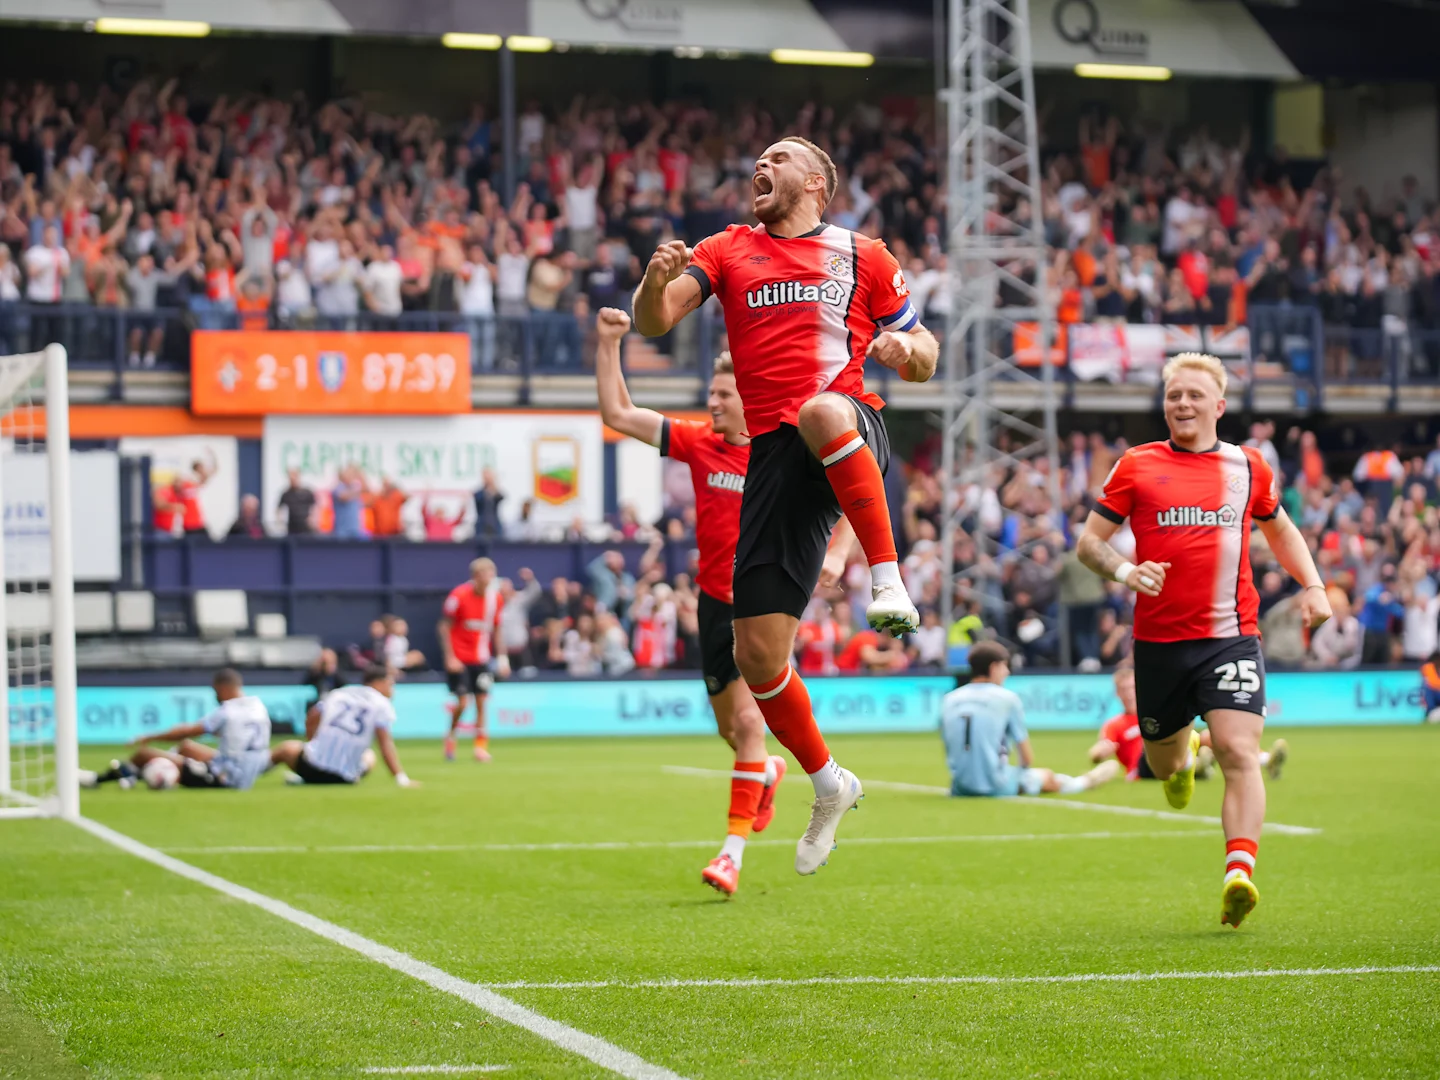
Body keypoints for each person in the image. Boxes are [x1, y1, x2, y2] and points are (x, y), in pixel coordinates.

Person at [632, 135, 938, 875]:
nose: (760, 167)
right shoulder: (727, 249)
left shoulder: (865, 255)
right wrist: (652, 281)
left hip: (847, 427)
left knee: (821, 410)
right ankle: (829, 782)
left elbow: (924, 354)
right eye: (758, 161)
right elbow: (654, 320)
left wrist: (906, 353)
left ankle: (888, 579)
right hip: (773, 460)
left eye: (778, 158)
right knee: (758, 655)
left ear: (816, 182)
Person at [1076, 352, 1331, 929]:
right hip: (1159, 645)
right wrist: (1125, 571)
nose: (1183, 404)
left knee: (1239, 751)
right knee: (1164, 765)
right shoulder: (1136, 465)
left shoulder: (1249, 466)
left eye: (1194, 395)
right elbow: (1089, 543)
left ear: (1219, 405)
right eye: (1174, 396)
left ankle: (1239, 871)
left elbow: (1282, 531)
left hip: (1230, 638)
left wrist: (1313, 585)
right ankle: (1183, 754)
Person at [595, 307, 807, 896]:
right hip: (714, 606)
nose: (712, 402)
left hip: (764, 606)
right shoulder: (699, 442)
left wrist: (835, 561)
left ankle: (730, 855)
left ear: (750, 396)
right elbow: (618, 413)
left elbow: (841, 501)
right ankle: (766, 771)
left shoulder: (783, 453)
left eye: (722, 394)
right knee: (732, 732)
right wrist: (608, 343)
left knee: (750, 723)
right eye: (711, 393)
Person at [941, 642, 1119, 798]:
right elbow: (1026, 758)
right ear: (994, 667)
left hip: (959, 787)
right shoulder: (1006, 698)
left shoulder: (949, 699)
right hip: (996, 784)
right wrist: (1023, 776)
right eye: (1005, 667)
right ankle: (1084, 782)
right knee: (1046, 776)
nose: (1007, 672)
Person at [80, 669, 272, 791]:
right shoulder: (257, 706)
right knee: (186, 747)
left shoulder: (227, 711)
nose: (216, 696)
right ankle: (134, 776)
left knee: (144, 753)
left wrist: (150, 737)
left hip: (224, 778)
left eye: (216, 691)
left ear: (223, 688)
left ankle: (99, 779)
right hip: (246, 772)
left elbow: (188, 731)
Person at [271, 665, 415, 787]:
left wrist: (313, 742)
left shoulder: (342, 692)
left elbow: (312, 717)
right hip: (345, 778)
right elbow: (385, 743)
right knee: (370, 756)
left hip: (310, 767)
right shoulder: (382, 703)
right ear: (378, 682)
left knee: (285, 748)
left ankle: (260, 769)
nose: (393, 689)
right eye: (390, 683)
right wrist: (401, 778)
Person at [437, 557, 509, 762]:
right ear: (475, 577)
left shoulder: (495, 599)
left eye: (491, 574)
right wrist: (450, 657)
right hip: (460, 659)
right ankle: (451, 736)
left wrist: (502, 658)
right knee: (462, 703)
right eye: (484, 574)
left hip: (481, 659)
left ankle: (480, 747)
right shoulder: (458, 596)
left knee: (481, 701)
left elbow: (497, 629)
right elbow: (444, 626)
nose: (488, 579)